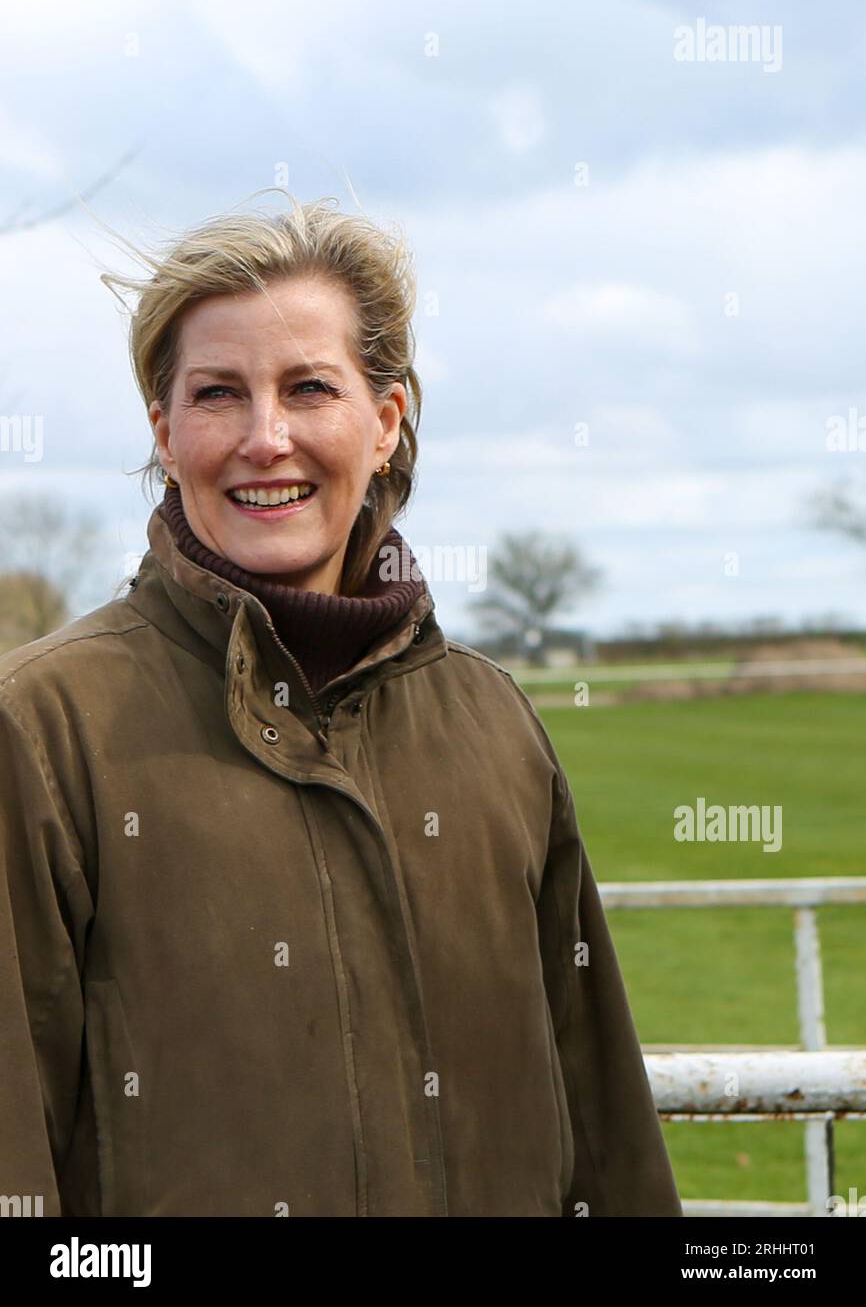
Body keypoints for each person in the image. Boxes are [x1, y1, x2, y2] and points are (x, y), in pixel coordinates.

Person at [0, 195, 682, 1217]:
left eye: (309, 387)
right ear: (166, 429)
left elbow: (602, 1134)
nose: (263, 437)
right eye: (219, 394)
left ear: (384, 421)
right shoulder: (43, 727)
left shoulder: (496, 728)